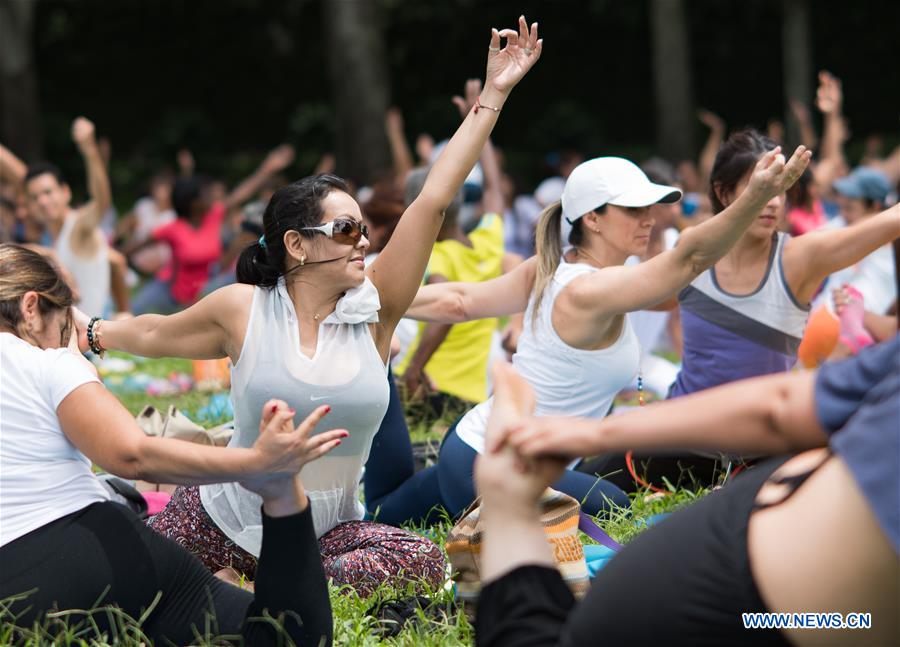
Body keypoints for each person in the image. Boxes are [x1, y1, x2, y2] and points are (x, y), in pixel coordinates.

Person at [77, 17, 543, 593]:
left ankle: (253, 587)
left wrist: (494, 96)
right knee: (129, 583)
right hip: (220, 521)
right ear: (297, 245)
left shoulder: (377, 308)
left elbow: (432, 199)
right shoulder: (242, 310)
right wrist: (91, 331)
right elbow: (152, 334)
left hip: (325, 535)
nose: (365, 239)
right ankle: (237, 575)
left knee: (421, 559)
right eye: (346, 228)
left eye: (364, 227)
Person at [365, 141, 811, 525]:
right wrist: (752, 199)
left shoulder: (557, 269)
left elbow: (459, 302)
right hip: (492, 461)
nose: (650, 218)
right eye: (633, 209)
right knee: (614, 505)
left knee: (382, 512)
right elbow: (688, 261)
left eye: (650, 207)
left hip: (473, 447)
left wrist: (368, 301)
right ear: (593, 219)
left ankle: (377, 368)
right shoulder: (589, 288)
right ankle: (380, 369)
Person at [0, 244, 342, 646]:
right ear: (29, 307)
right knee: (283, 637)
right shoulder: (42, 362)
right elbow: (131, 454)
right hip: (83, 549)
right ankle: (284, 498)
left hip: (10, 603)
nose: (60, 346)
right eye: (62, 331)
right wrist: (253, 464)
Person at [475, 335, 898, 647]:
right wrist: (596, 435)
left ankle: (508, 498)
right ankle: (508, 498)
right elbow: (783, 408)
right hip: (763, 600)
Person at [669, 130, 899, 399]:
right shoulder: (694, 248)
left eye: (782, 190)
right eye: (763, 188)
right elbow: (642, 297)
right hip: (682, 425)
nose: (775, 202)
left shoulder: (800, 258)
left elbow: (891, 220)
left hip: (758, 436)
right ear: (723, 192)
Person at [130, 144, 295, 314]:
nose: (211, 197)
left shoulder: (212, 216)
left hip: (208, 290)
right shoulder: (172, 228)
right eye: (206, 195)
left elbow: (241, 193)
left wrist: (268, 167)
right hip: (176, 295)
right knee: (130, 311)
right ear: (193, 203)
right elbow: (134, 246)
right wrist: (114, 258)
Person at [23, 117, 113, 317]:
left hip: (94, 341)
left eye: (48, 192)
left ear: (65, 192)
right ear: (29, 205)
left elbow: (101, 201)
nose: (43, 201)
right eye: (35, 197)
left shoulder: (79, 226)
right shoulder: (47, 238)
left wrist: (89, 150)